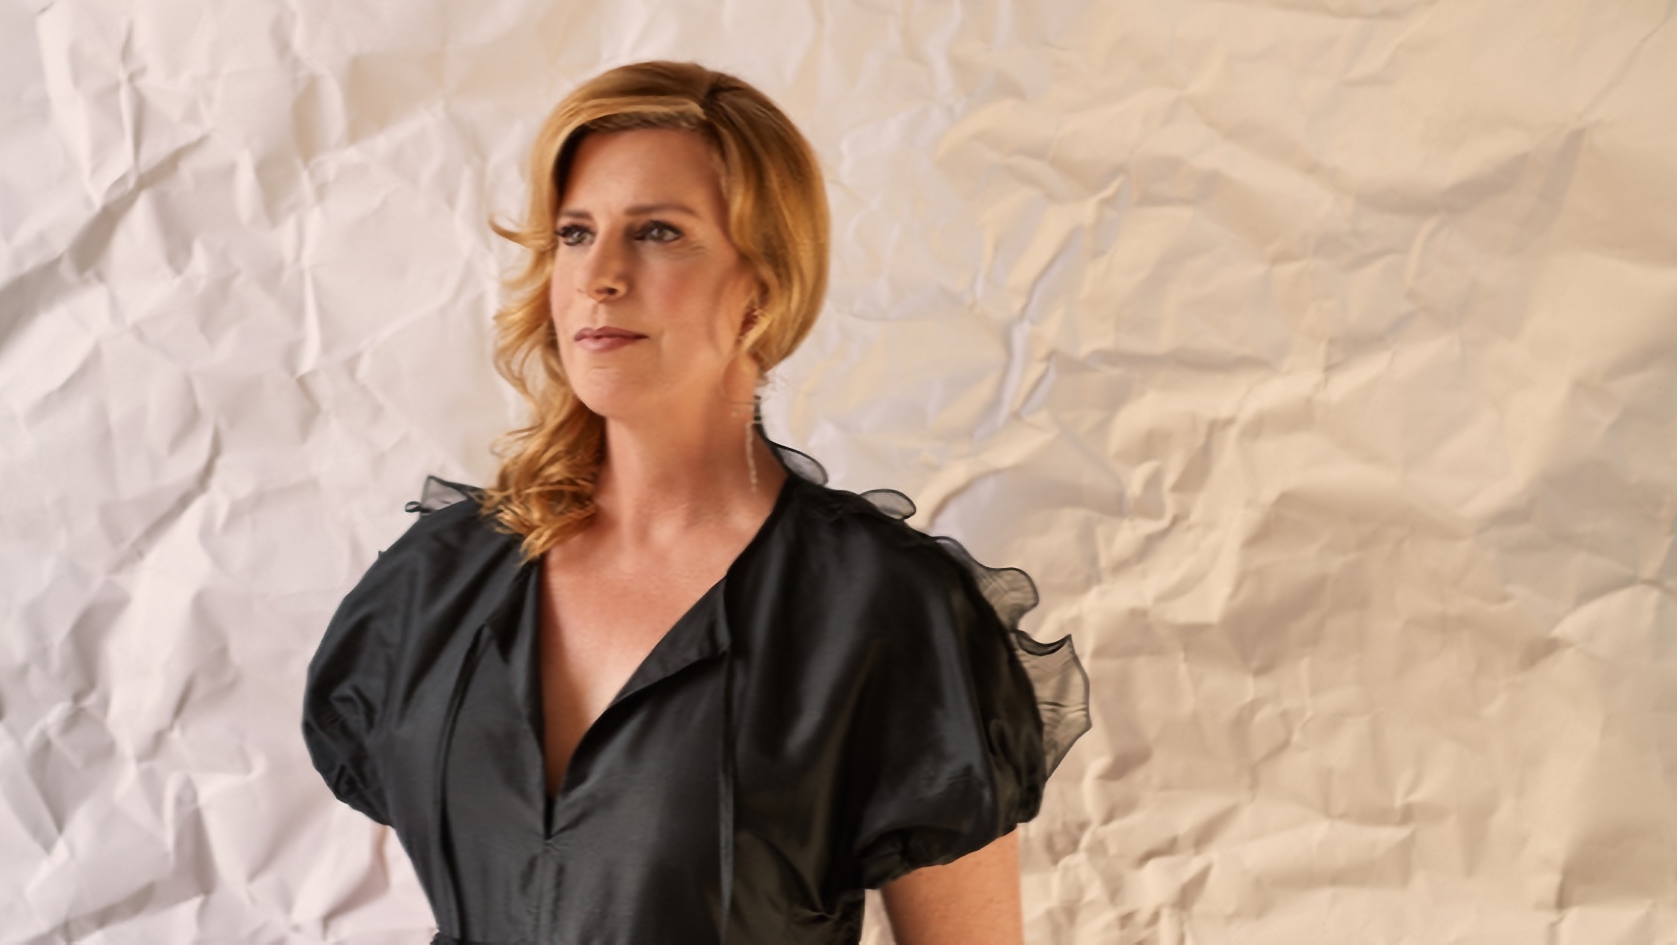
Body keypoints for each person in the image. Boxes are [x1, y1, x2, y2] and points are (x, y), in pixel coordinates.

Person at [303, 61, 1089, 944]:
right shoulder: (435, 584)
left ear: (764, 282)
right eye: (574, 233)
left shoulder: (883, 611)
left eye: (658, 232)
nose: (599, 275)